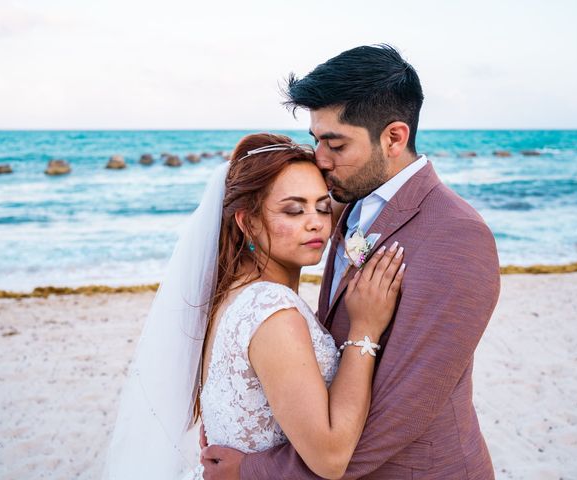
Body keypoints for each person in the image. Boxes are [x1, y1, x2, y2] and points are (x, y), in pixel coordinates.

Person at [201, 44, 500, 479]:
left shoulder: (456, 235)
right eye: (316, 140)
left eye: (335, 143)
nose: (320, 159)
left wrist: (255, 469)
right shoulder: (347, 203)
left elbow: (403, 409)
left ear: (394, 138)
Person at [102, 132, 405, 480]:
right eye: (293, 210)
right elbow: (331, 457)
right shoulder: (272, 311)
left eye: (322, 207)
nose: (315, 222)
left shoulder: (231, 291)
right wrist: (364, 329)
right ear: (247, 222)